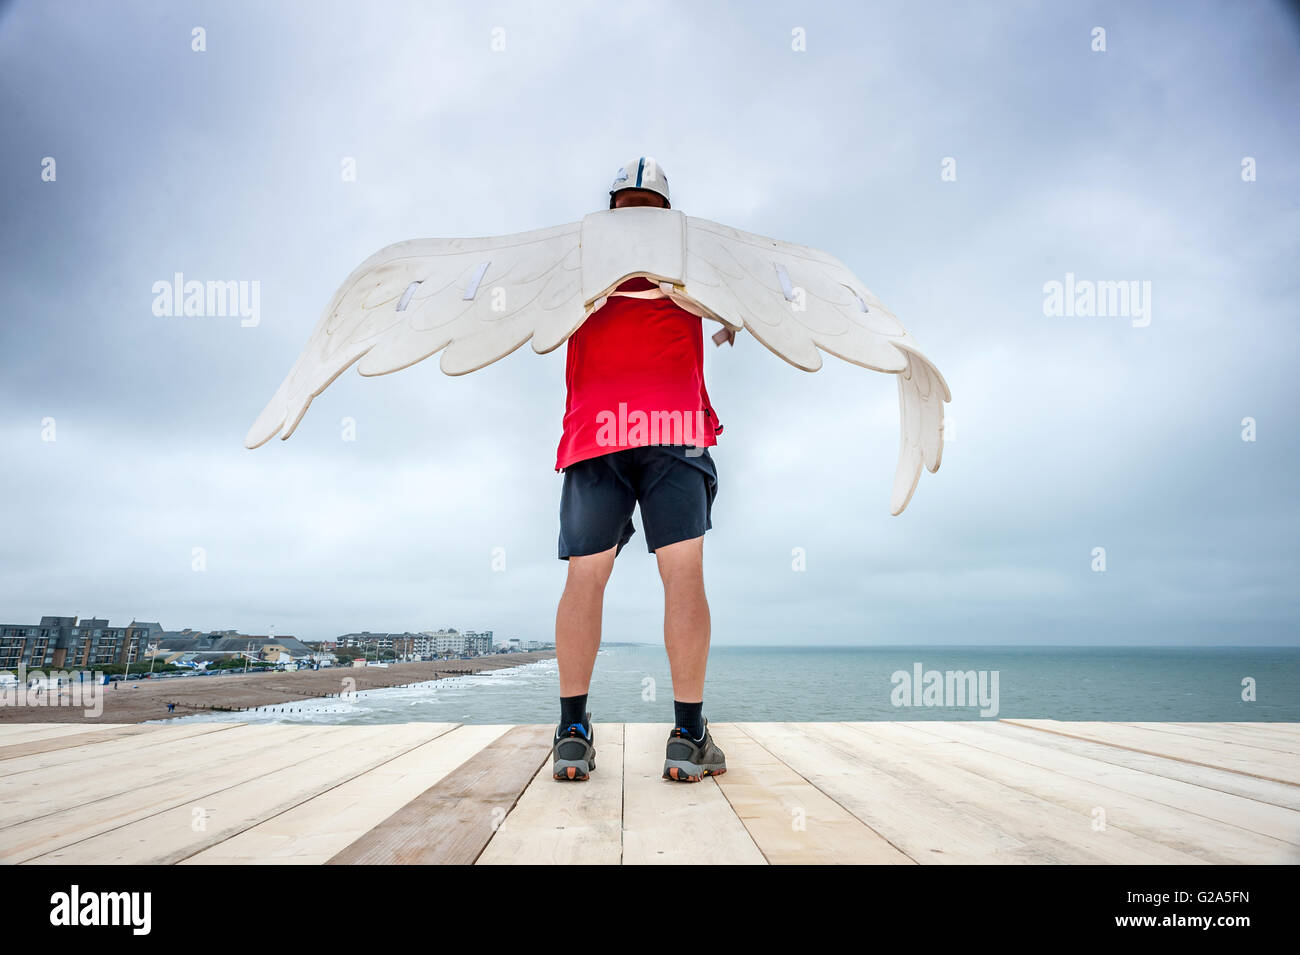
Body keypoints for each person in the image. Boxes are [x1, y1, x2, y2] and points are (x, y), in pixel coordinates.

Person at [551, 157, 728, 783]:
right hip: (674, 428)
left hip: (598, 432)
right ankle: (687, 735)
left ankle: (572, 733)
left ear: (613, 206)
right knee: (681, 577)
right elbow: (750, 310)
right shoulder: (694, 263)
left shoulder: (579, 262)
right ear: (665, 209)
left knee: (585, 580)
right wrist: (726, 321)